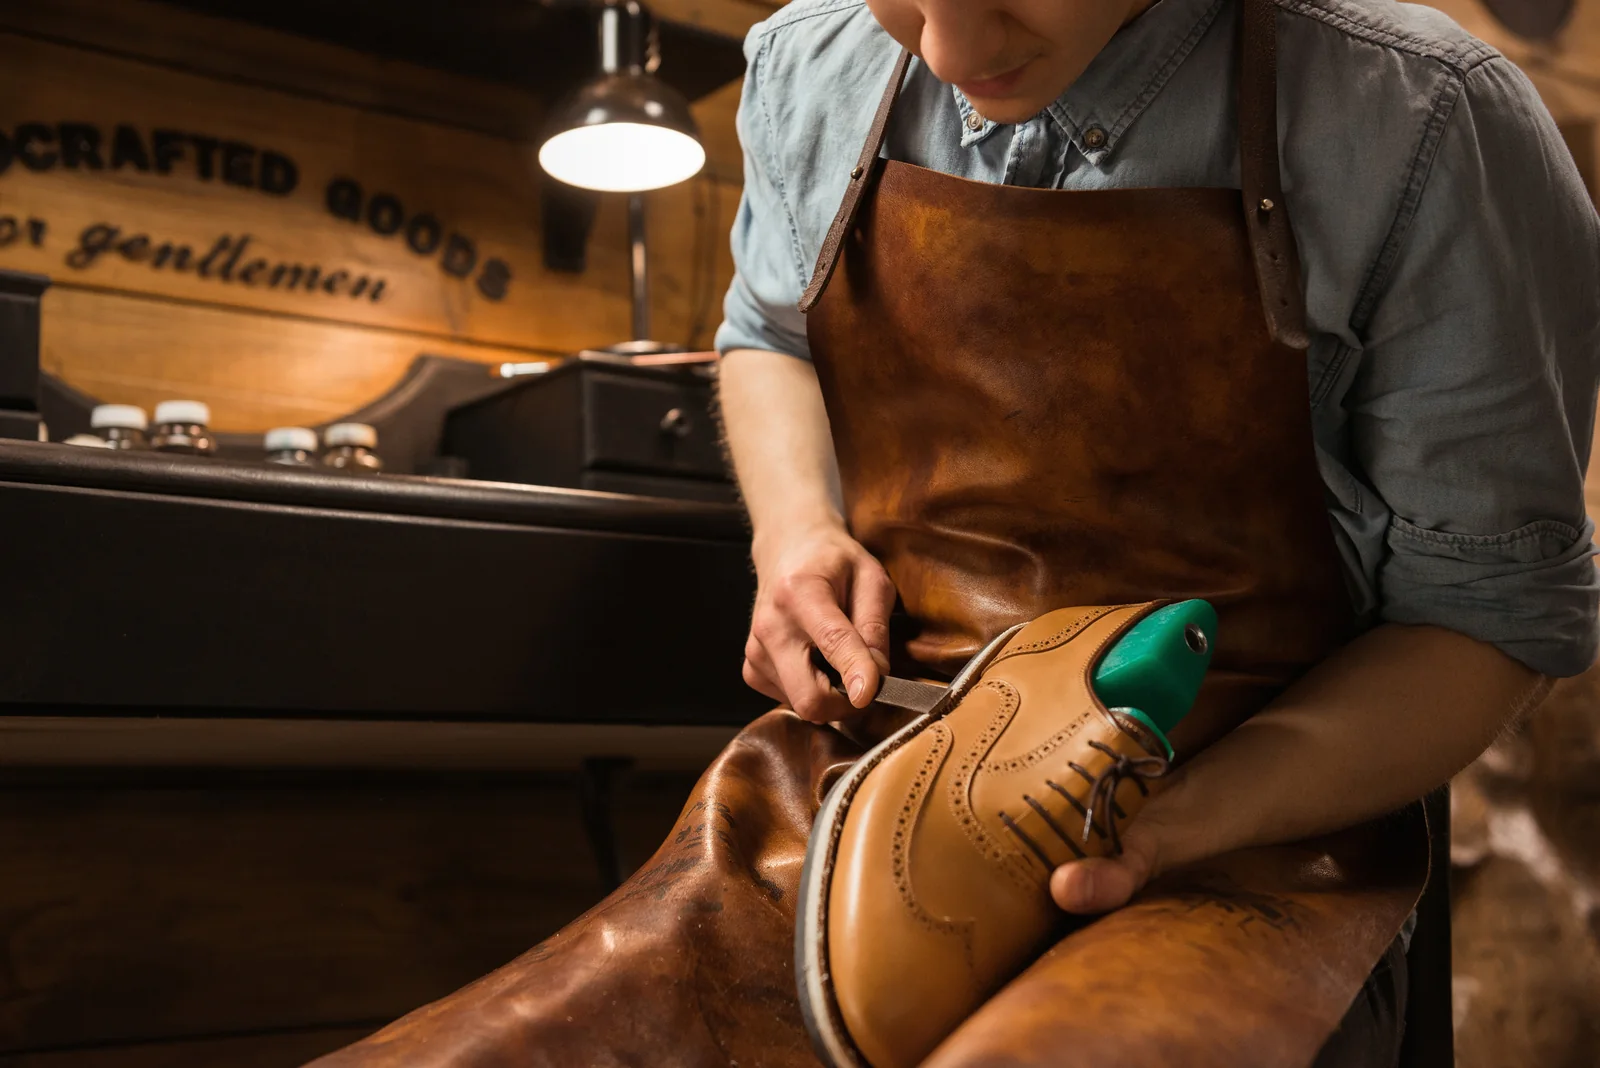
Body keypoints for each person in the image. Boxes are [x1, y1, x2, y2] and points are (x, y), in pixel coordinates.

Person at [310, 1, 1600, 1065]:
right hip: (880, 779)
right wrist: (796, 531)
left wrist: (1174, 825)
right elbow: (768, 334)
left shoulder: (1425, 119)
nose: (947, 51)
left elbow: (1483, 624)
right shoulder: (816, 64)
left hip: (1253, 825)